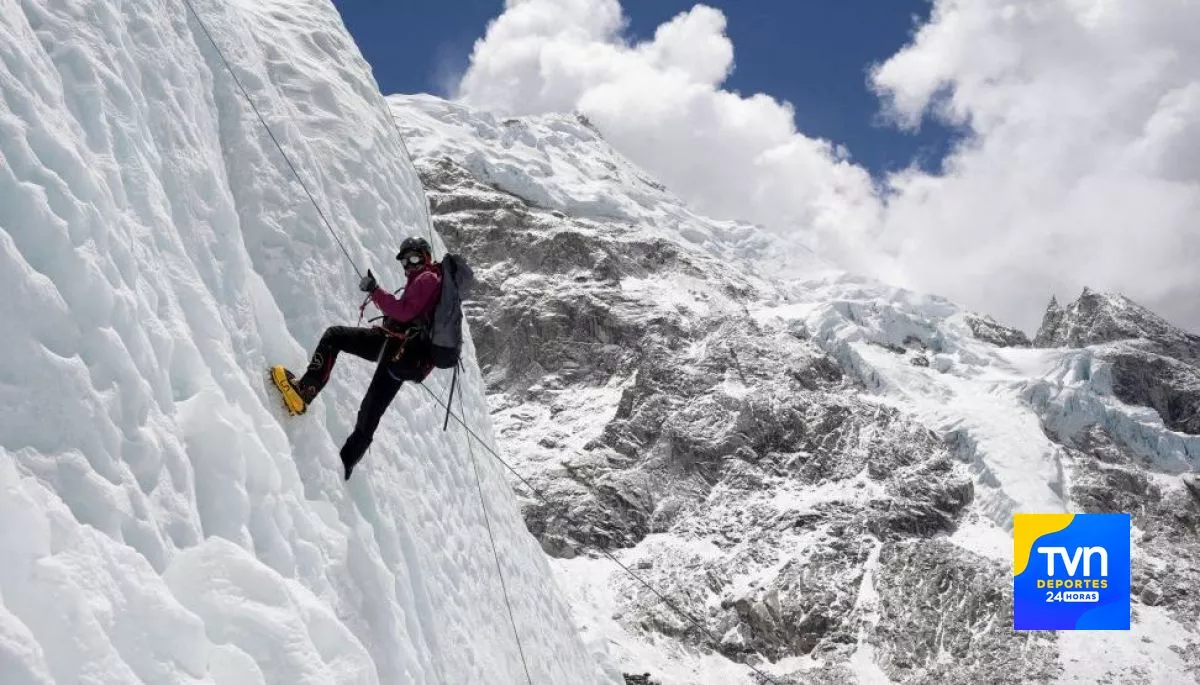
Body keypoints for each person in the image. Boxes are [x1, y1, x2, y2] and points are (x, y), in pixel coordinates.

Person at [270, 236, 443, 480]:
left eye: (413, 258)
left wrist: (375, 290)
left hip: (395, 347)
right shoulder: (429, 281)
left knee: (335, 337)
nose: (408, 265)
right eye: (405, 261)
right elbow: (408, 313)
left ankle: (305, 391)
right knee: (371, 410)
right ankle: (345, 464)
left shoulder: (427, 278)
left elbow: (403, 313)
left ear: (425, 256)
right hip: (404, 357)